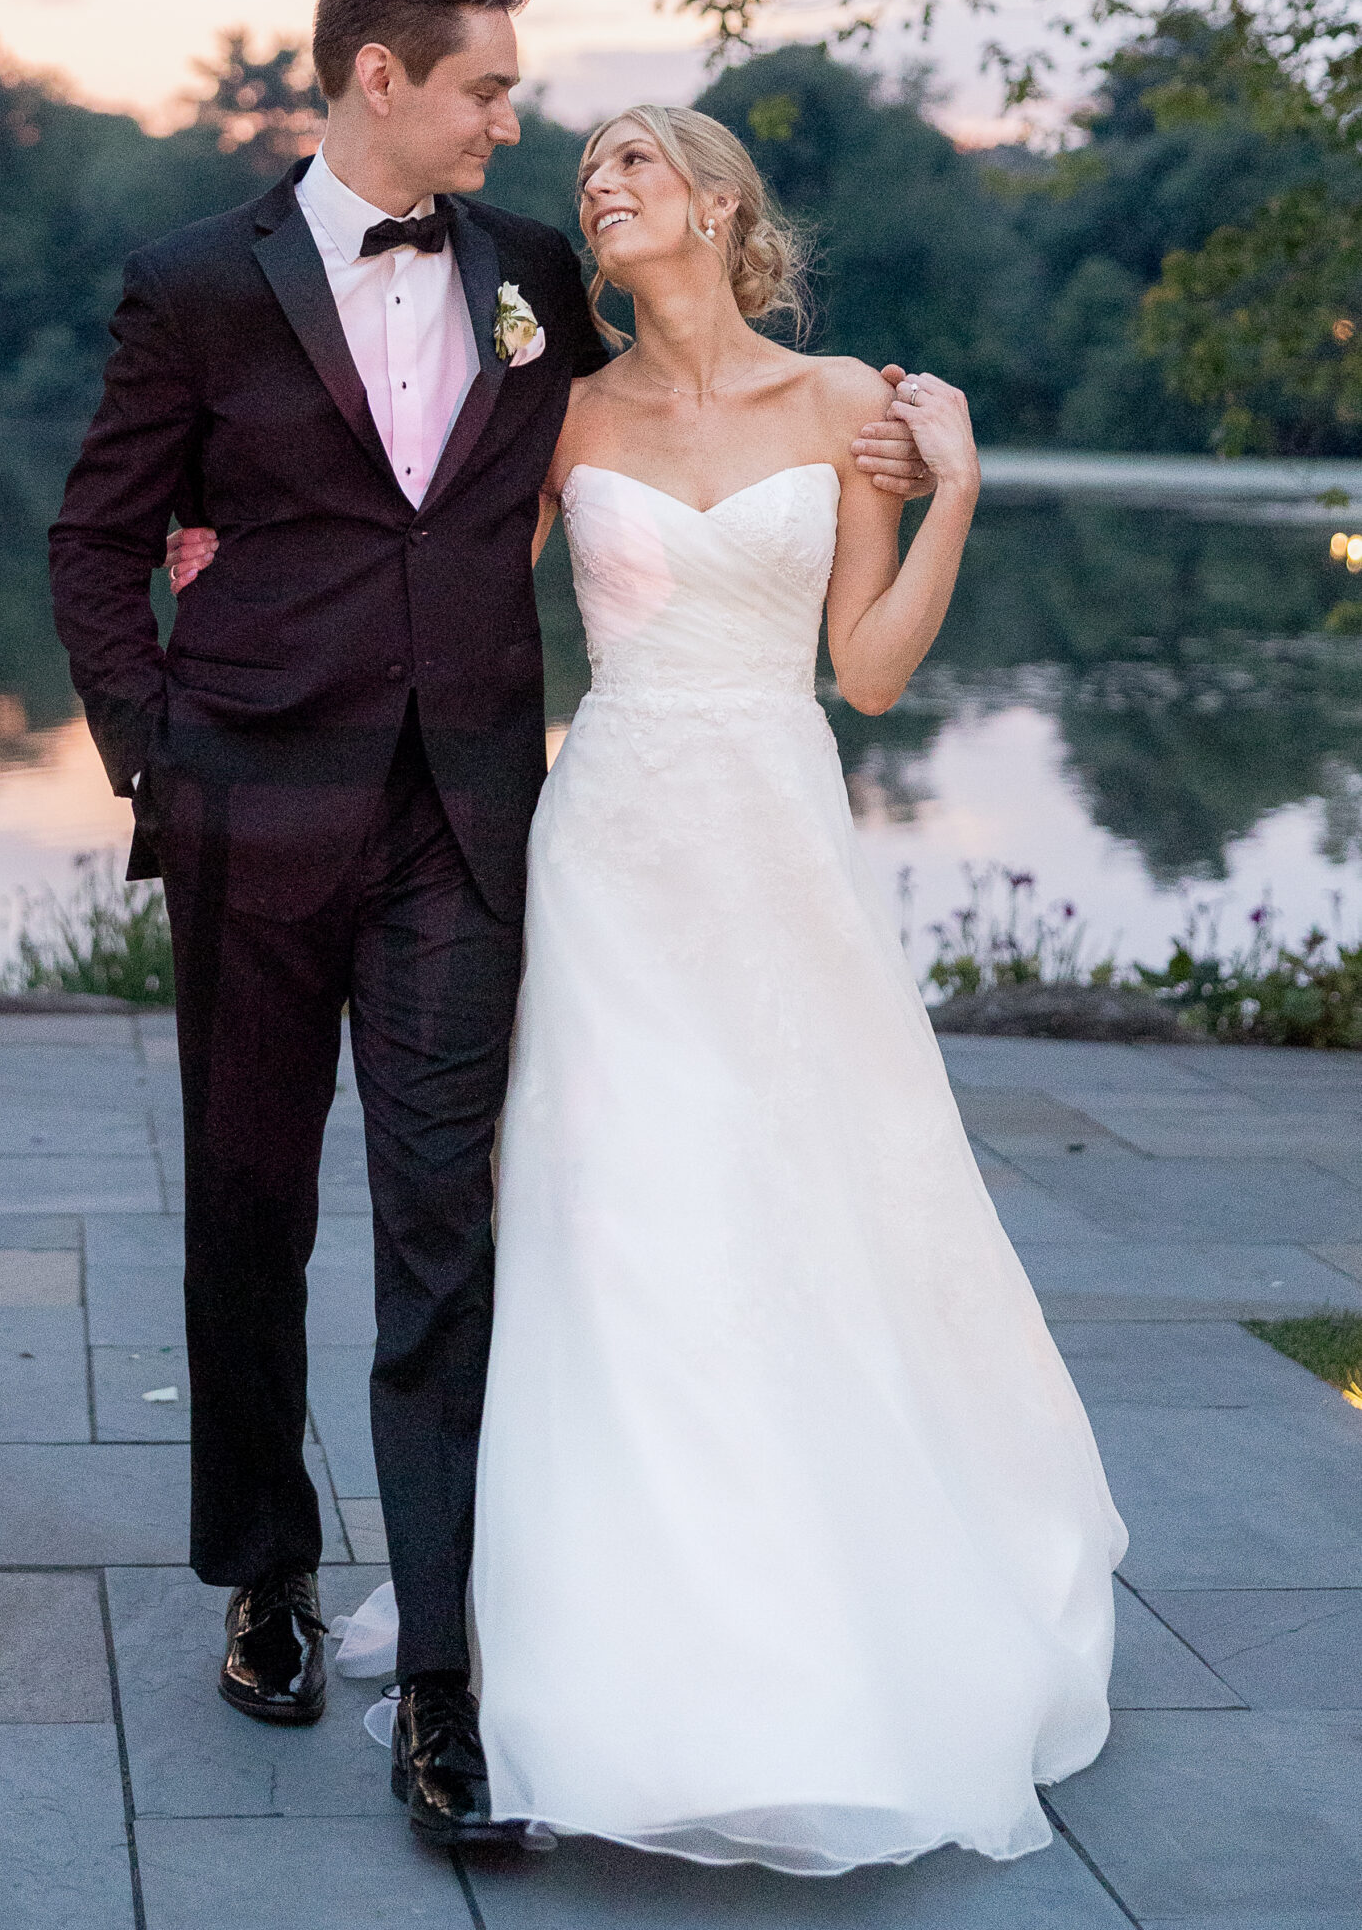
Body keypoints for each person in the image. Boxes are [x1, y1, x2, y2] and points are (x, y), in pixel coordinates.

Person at [56, 0, 933, 1852]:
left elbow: (682, 423)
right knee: (248, 1210)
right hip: (251, 810)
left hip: (465, 824)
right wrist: (160, 756)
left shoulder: (534, 271)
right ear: (380, 77)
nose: (512, 122)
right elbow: (98, 540)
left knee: (447, 1229)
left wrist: (890, 426)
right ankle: (266, 1575)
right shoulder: (193, 284)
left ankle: (450, 1674)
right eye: (485, 89)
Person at [469, 105, 1126, 1870]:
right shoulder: (566, 413)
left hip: (772, 836)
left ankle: (845, 1576)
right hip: (610, 847)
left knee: (807, 1194)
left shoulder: (845, 404)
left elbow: (872, 672)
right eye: (589, 173)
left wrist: (956, 492)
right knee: (625, 1210)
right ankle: (629, 1619)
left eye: (634, 163)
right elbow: (444, 600)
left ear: (717, 203)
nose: (600, 186)